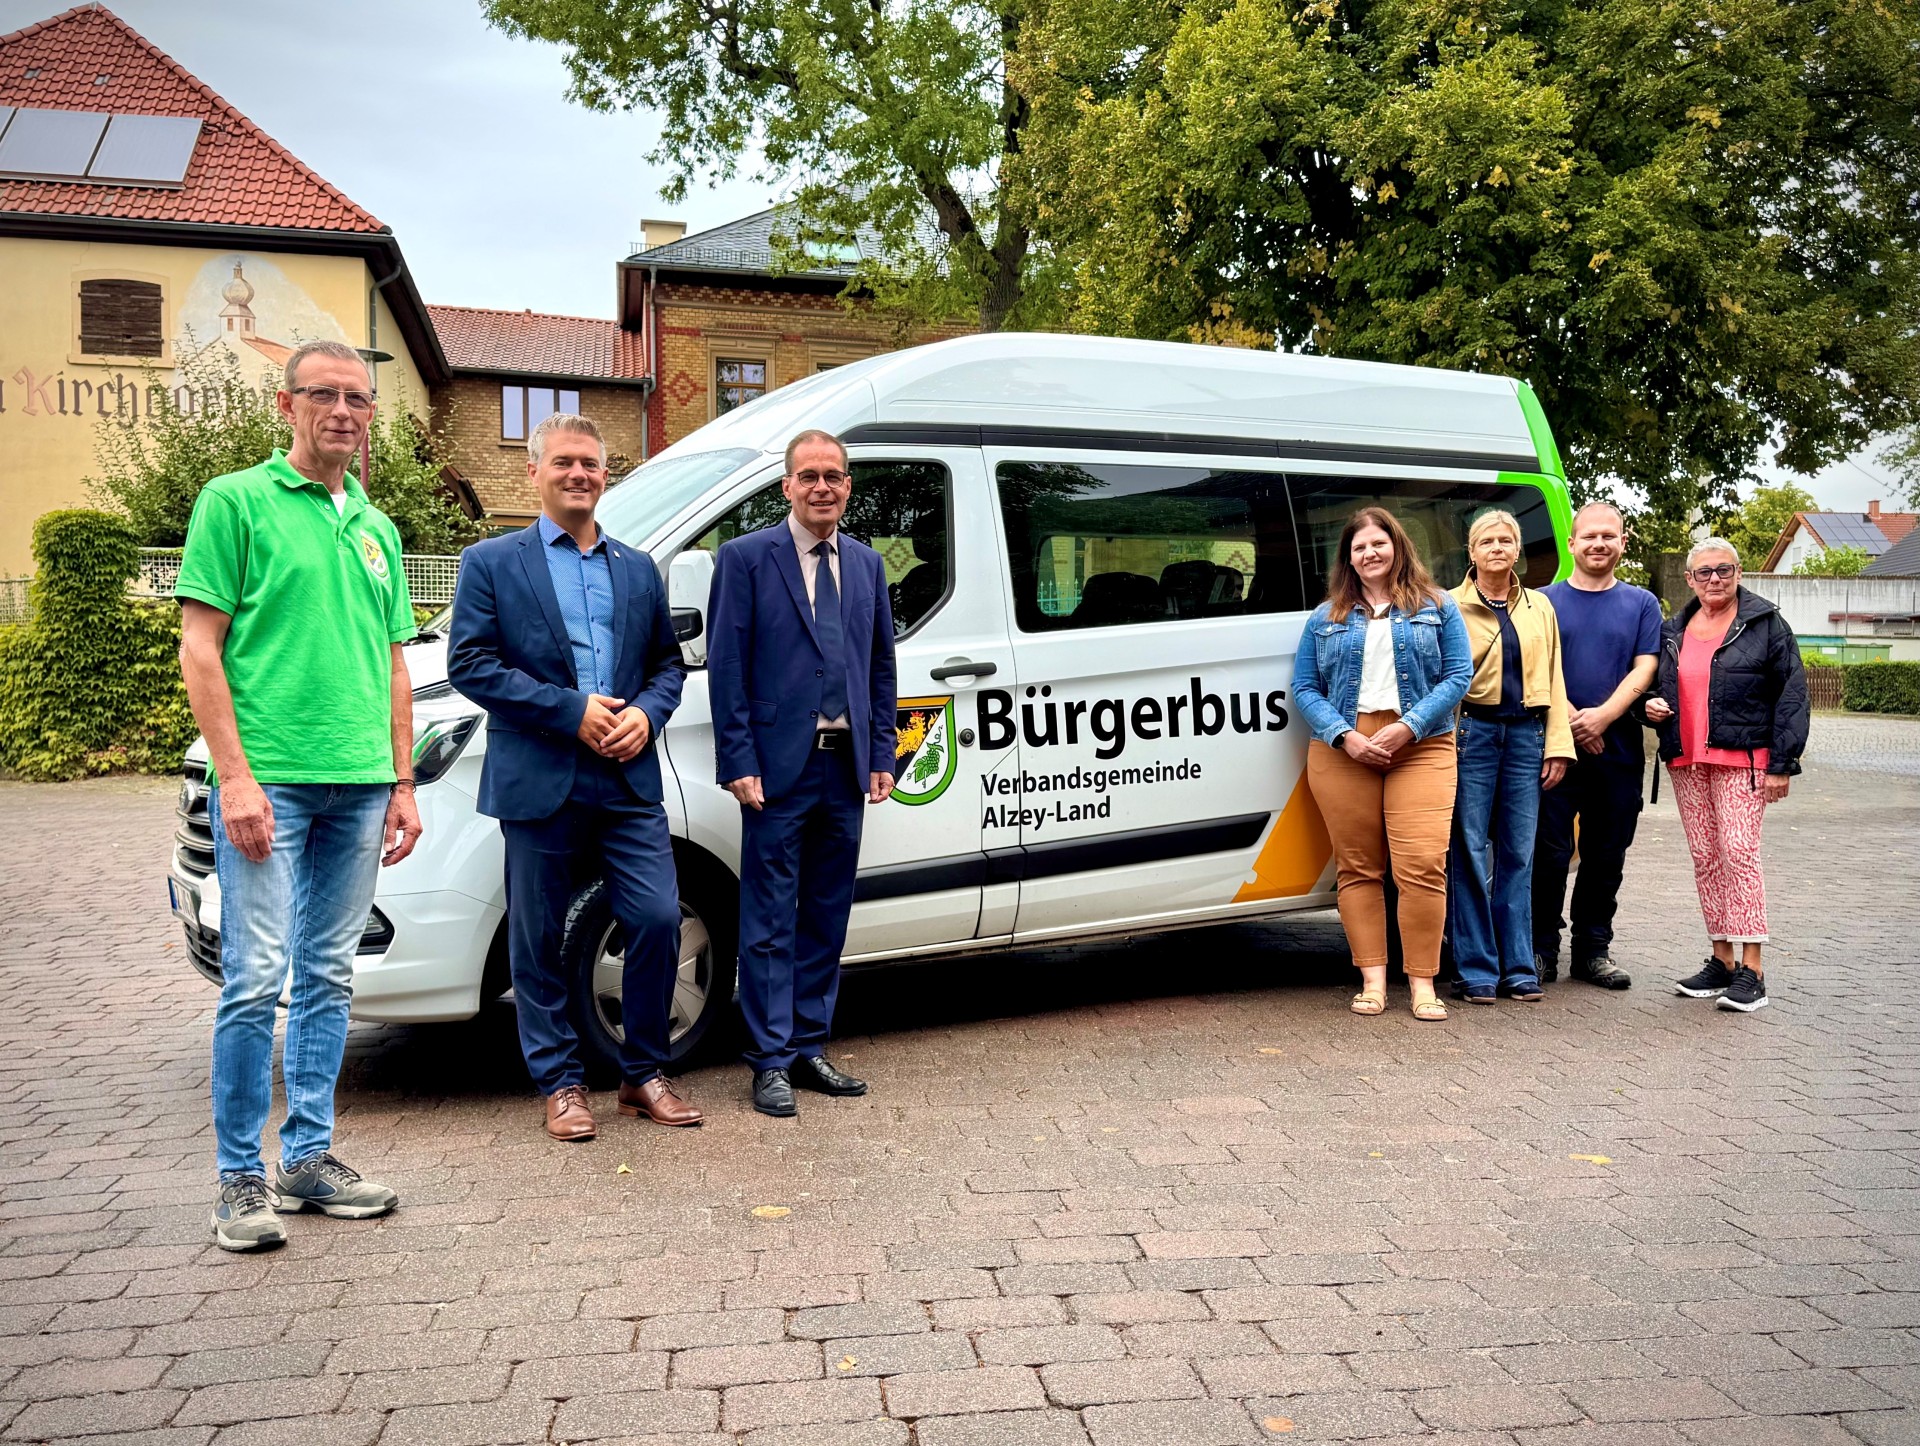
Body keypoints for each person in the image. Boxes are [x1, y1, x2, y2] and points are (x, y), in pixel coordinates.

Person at [176, 340, 420, 1251]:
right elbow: (202, 647)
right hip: (271, 782)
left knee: (327, 974)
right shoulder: (234, 501)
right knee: (252, 978)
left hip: (360, 783)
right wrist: (234, 777)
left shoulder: (377, 526)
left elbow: (393, 661)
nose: (345, 413)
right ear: (287, 407)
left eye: (358, 399)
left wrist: (402, 780)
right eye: (325, 395)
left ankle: (307, 1159)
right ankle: (239, 1178)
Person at [448, 414, 696, 1140]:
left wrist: (648, 716)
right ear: (535, 472)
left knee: (656, 917)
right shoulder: (492, 561)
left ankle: (642, 1073)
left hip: (626, 777)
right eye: (564, 463)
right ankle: (560, 1083)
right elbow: (472, 663)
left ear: (605, 473)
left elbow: (666, 665)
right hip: (541, 774)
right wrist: (569, 712)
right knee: (539, 935)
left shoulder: (637, 566)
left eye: (590, 463)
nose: (579, 474)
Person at [707, 429, 897, 1116]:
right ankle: (768, 1061)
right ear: (786, 486)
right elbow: (726, 668)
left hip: (843, 772)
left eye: (835, 476)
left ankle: (810, 1045)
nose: (823, 487)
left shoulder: (868, 566)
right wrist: (739, 761)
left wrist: (882, 753)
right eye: (810, 475)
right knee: (766, 920)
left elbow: (880, 667)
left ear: (848, 487)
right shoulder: (746, 559)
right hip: (775, 774)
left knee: (825, 915)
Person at [1293, 507, 1473, 1021]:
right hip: (1344, 751)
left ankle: (1422, 983)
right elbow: (1304, 688)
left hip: (1420, 746)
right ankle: (1372, 979)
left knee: (1421, 868)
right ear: (1347, 559)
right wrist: (1343, 736)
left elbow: (1458, 677)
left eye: (1378, 543)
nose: (1369, 554)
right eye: (1358, 548)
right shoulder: (1324, 616)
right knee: (1357, 869)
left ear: (1397, 546)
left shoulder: (1438, 605)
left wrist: (1408, 725)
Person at [1644, 539, 1808, 1012]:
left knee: (1738, 852)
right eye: (1704, 572)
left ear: (1738, 572)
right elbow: (1655, 686)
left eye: (1724, 570)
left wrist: (1782, 763)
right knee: (1706, 856)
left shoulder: (1765, 624)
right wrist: (1647, 706)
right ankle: (1722, 960)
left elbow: (1793, 694)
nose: (1714, 579)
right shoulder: (1673, 628)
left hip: (1745, 757)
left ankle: (1753, 969)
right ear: (1690, 579)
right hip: (1687, 759)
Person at [1531, 502, 1663, 990]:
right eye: (1589, 536)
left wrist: (1604, 716)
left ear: (1622, 543)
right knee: (1547, 855)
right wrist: (1570, 720)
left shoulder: (1642, 604)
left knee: (1607, 855)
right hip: (1555, 752)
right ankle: (1540, 949)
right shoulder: (1541, 602)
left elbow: (1645, 666)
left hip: (1619, 752)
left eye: (1609, 536)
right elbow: (1536, 667)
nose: (1599, 544)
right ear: (1572, 543)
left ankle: (1593, 950)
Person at [1448, 510, 1574, 1004]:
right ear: (1472, 552)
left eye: (1506, 540)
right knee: (1470, 850)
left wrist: (1558, 745)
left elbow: (1556, 676)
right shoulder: (1448, 605)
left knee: (1521, 853)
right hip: (1472, 733)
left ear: (1518, 550)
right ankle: (1476, 967)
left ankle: (1519, 966)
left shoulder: (1540, 607)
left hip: (1527, 734)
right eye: (1487, 540)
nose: (1497, 547)